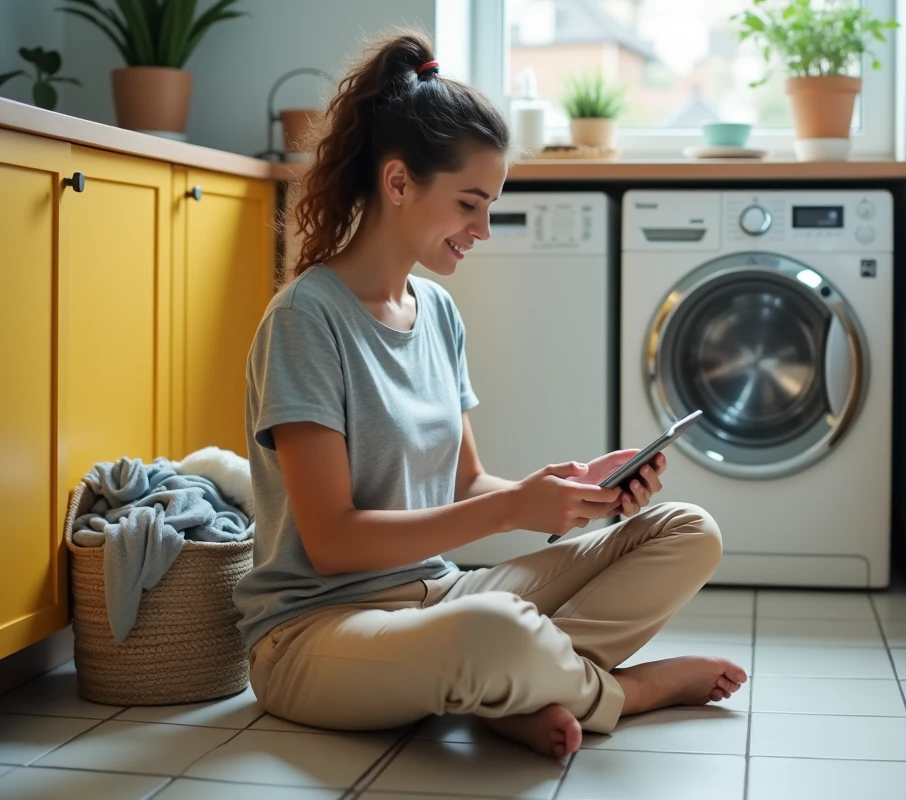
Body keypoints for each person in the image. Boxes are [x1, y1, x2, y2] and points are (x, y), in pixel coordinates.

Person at [233, 30, 746, 760]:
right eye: (470, 203)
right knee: (496, 632)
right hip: (316, 632)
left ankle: (511, 689)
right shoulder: (305, 320)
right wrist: (510, 510)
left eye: (491, 205)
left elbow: (468, 481)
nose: (483, 229)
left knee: (687, 528)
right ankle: (624, 692)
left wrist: (571, 494)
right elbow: (334, 543)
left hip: (439, 598)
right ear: (399, 181)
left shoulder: (436, 311)